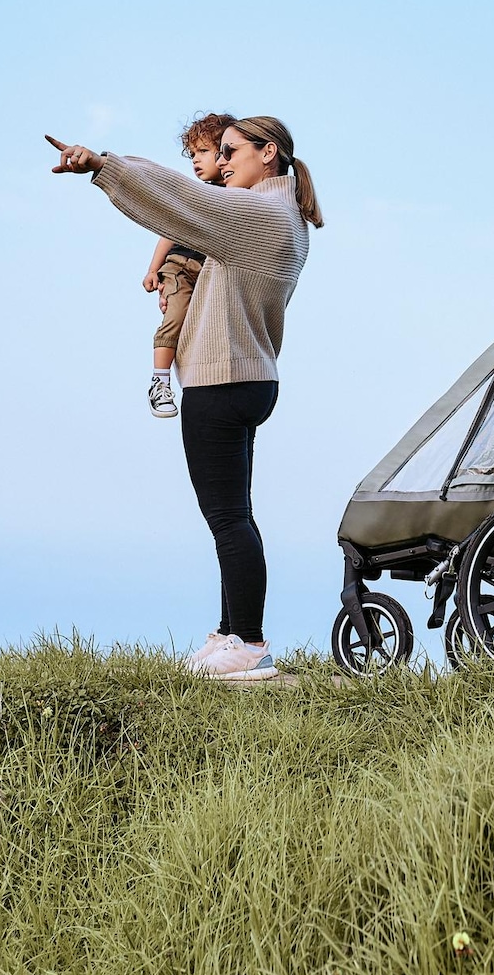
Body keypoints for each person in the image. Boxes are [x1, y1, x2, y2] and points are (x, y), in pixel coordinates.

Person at [47, 115, 322, 681]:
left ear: (267, 153)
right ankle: (230, 633)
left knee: (226, 518)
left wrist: (103, 165)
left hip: (220, 381)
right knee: (235, 514)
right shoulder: (287, 217)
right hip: (252, 377)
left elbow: (178, 200)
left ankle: (248, 643)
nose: (222, 164)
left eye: (231, 152)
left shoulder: (258, 214)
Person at [140, 112, 235, 420]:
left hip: (211, 271)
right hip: (180, 266)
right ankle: (160, 381)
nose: (195, 160)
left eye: (203, 151)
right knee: (176, 315)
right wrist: (153, 269)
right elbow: (169, 231)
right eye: (192, 154)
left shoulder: (238, 193)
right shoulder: (195, 192)